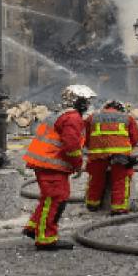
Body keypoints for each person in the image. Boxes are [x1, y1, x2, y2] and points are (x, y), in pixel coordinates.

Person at [22, 85, 95, 250]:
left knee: (48, 199)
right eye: (86, 101)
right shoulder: (73, 118)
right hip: (53, 166)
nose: (88, 105)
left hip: (45, 164)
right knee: (56, 200)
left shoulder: (57, 115)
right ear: (78, 102)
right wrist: (78, 165)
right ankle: (46, 239)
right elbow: (71, 146)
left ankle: (34, 228)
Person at [84, 100, 138, 215]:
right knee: (120, 180)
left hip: (97, 155)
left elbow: (86, 138)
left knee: (95, 179)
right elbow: (135, 138)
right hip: (120, 155)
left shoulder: (92, 118)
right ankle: (119, 208)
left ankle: (92, 204)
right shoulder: (127, 118)